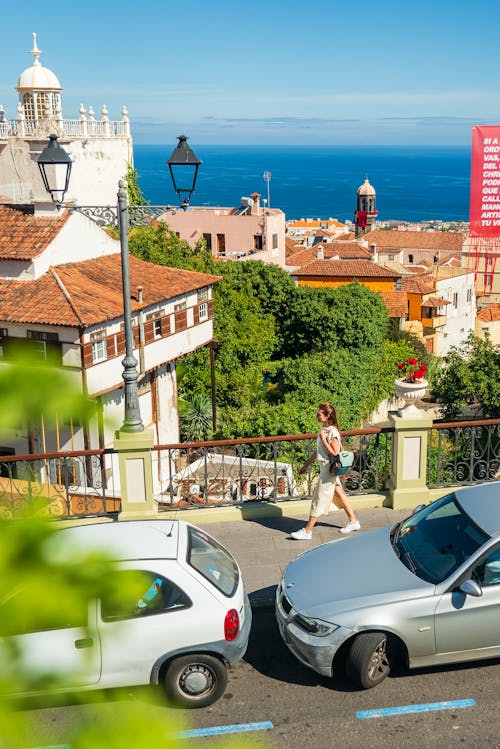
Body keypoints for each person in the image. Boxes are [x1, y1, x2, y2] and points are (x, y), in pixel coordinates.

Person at [290, 402, 360, 540]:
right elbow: (319, 451)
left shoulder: (332, 432)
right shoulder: (324, 429)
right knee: (339, 494)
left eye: (319, 413)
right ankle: (353, 522)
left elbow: (334, 452)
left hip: (328, 470)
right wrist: (306, 465)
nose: (316, 415)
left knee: (318, 498)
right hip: (327, 468)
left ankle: (307, 530)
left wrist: (323, 439)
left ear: (327, 416)